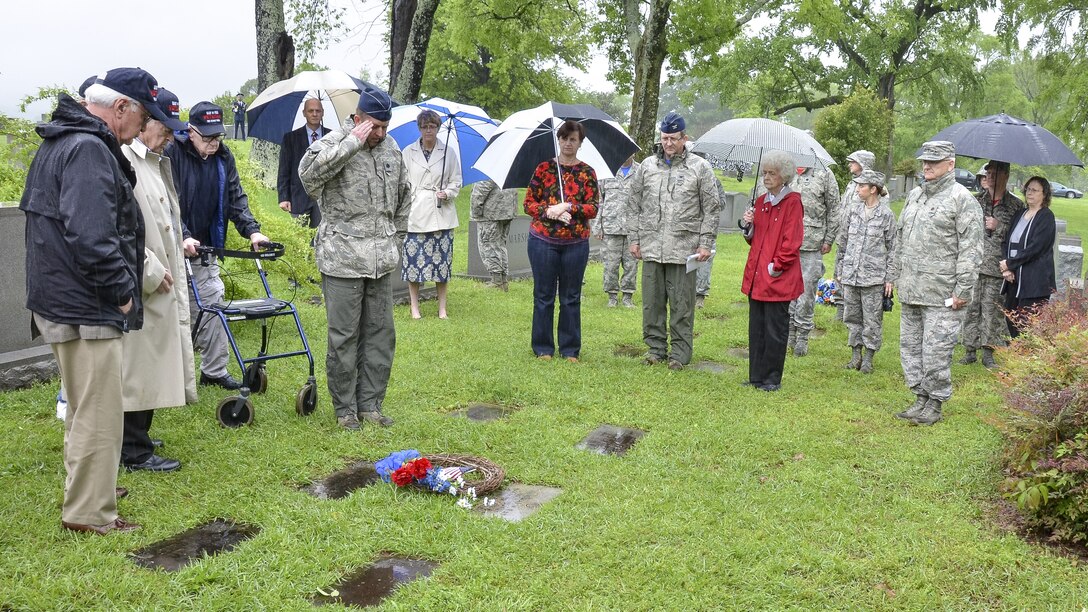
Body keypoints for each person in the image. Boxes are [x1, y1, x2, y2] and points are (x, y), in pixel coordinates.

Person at [21, 67, 169, 534]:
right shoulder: (87, 148)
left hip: (61, 299)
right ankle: (90, 513)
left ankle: (93, 485)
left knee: (86, 407)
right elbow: (91, 235)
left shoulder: (64, 139)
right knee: (100, 413)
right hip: (84, 304)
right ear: (120, 107)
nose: (142, 127)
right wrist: (122, 294)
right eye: (141, 115)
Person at [298, 85, 411, 430]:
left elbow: (404, 195)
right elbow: (308, 177)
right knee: (344, 337)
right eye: (373, 126)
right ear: (358, 118)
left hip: (380, 259)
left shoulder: (390, 147)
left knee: (380, 334)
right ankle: (345, 409)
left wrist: (398, 238)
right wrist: (352, 143)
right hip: (342, 258)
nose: (379, 133)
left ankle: (370, 406)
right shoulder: (334, 143)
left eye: (384, 127)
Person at [168, 102, 270, 390]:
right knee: (179, 314)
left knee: (213, 303)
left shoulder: (223, 157)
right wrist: (184, 235)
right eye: (207, 138)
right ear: (191, 131)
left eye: (217, 137)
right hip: (172, 246)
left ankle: (213, 370)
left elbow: (236, 198)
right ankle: (170, 374)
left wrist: (253, 232)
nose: (213, 144)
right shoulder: (171, 154)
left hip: (206, 248)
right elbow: (168, 202)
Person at [119, 87, 196, 473]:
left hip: (157, 275)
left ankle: (139, 438)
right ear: (145, 124)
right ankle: (133, 449)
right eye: (165, 129)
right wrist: (150, 270)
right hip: (146, 279)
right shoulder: (126, 159)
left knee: (148, 360)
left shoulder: (151, 160)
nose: (169, 137)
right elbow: (122, 226)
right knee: (138, 363)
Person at [892, 141, 983, 426]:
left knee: (936, 351)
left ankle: (936, 402)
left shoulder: (962, 199)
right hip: (911, 288)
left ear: (950, 164)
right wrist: (895, 275)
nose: (926, 166)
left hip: (943, 294)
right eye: (924, 161)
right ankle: (920, 398)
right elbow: (900, 237)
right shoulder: (916, 195)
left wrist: (963, 291)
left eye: (934, 161)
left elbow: (971, 250)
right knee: (910, 348)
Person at [628, 112, 719, 370]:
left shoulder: (699, 167)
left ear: (684, 138)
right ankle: (655, 349)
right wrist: (634, 239)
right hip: (652, 247)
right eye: (664, 138)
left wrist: (705, 243)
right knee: (652, 303)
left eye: (673, 138)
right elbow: (633, 204)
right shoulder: (647, 166)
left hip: (683, 248)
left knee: (682, 305)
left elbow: (711, 208)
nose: (668, 143)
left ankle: (679, 354)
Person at [523, 119, 599, 362]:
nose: (568, 143)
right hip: (543, 240)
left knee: (571, 297)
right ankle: (543, 348)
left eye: (573, 139)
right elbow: (528, 203)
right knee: (544, 295)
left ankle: (570, 349)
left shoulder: (587, 172)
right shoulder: (544, 169)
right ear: (558, 140)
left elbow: (593, 207)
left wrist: (570, 206)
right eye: (564, 138)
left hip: (575, 243)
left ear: (580, 143)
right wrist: (550, 210)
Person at [739, 150, 804, 391]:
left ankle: (771, 378)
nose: (766, 177)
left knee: (775, 330)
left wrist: (775, 267)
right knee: (756, 329)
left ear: (784, 176)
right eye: (764, 172)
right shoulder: (761, 202)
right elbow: (754, 240)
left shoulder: (793, 202)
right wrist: (748, 226)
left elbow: (792, 242)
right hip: (757, 278)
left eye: (771, 173)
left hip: (777, 278)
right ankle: (756, 376)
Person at [960, 161, 1023, 368]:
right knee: (971, 309)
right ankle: (969, 349)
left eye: (995, 173)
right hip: (974, 265)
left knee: (992, 311)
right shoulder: (976, 201)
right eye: (988, 173)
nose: (990, 177)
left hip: (998, 267)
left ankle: (989, 351)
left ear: (1006, 175)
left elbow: (1019, 237)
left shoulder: (1016, 206)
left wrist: (999, 226)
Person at [401, 109, 462, 319]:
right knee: (413, 261)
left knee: (442, 262)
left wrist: (448, 192)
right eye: (425, 126)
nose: (429, 130)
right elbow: (402, 182)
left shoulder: (449, 153)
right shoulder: (408, 152)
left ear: (438, 128)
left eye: (433, 126)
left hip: (441, 213)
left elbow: (457, 180)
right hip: (416, 212)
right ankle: (414, 307)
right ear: (419, 128)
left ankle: (442, 308)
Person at [835, 170, 896, 374]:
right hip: (851, 275)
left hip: (873, 278)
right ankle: (855, 356)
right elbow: (842, 243)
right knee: (852, 317)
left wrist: (890, 278)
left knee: (872, 320)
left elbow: (894, 248)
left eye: (862, 186)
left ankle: (868, 359)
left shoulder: (886, 215)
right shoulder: (853, 211)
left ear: (873, 189)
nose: (858, 188)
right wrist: (840, 270)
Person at [1000, 176, 1056, 336]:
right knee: (1011, 321)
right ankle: (1015, 358)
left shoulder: (1046, 217)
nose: (1029, 193)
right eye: (1028, 189)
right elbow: (1006, 241)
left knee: (1027, 326)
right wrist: (1006, 267)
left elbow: (1035, 248)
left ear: (1044, 194)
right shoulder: (1019, 214)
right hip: (1013, 279)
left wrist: (1010, 264)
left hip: (1034, 282)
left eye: (1035, 190)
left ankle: (1026, 359)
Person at [834, 150, 881, 322]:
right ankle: (840, 310)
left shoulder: (873, 185)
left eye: (853, 161)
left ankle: (854, 313)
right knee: (840, 272)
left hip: (862, 241)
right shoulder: (851, 184)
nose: (849, 165)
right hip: (846, 236)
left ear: (862, 163)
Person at [278, 97, 331, 229]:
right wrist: (284, 197)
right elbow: (284, 170)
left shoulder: (332, 137)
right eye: (310, 111)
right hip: (298, 196)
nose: (314, 114)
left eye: (318, 111)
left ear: (322, 113)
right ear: (304, 113)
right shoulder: (290, 138)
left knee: (322, 238)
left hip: (324, 197)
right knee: (299, 238)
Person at [594, 154, 639, 308]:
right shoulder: (607, 171)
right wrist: (597, 225)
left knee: (631, 265)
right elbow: (599, 200)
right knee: (610, 265)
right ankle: (612, 296)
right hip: (610, 226)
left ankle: (627, 296)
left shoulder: (641, 171)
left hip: (632, 229)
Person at [470, 178, 519, 291]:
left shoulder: (489, 167)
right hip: (507, 211)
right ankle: (503, 280)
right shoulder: (509, 165)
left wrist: (475, 213)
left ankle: (496, 281)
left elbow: (480, 191)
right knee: (500, 245)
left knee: (489, 245)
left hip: (491, 212)